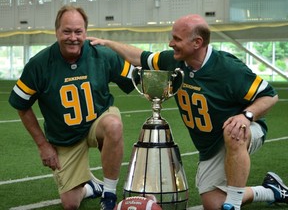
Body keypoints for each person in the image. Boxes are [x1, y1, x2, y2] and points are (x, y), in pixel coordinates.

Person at [88, 14, 288, 210]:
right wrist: (107, 43)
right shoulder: (174, 61)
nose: (170, 43)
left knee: (233, 131)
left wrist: (246, 116)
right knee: (213, 203)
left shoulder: (228, 68)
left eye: (177, 39)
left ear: (197, 43)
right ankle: (271, 190)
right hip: (210, 144)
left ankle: (234, 204)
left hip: (243, 131)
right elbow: (140, 57)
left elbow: (269, 95)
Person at [9, 5, 136, 210]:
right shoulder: (39, 64)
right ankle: (92, 187)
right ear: (56, 31)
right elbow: (21, 106)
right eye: (67, 31)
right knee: (70, 204)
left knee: (113, 124)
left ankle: (109, 194)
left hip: (98, 121)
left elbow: (136, 80)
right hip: (64, 136)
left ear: (86, 32)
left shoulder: (102, 55)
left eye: (78, 32)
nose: (73, 37)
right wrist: (43, 145)